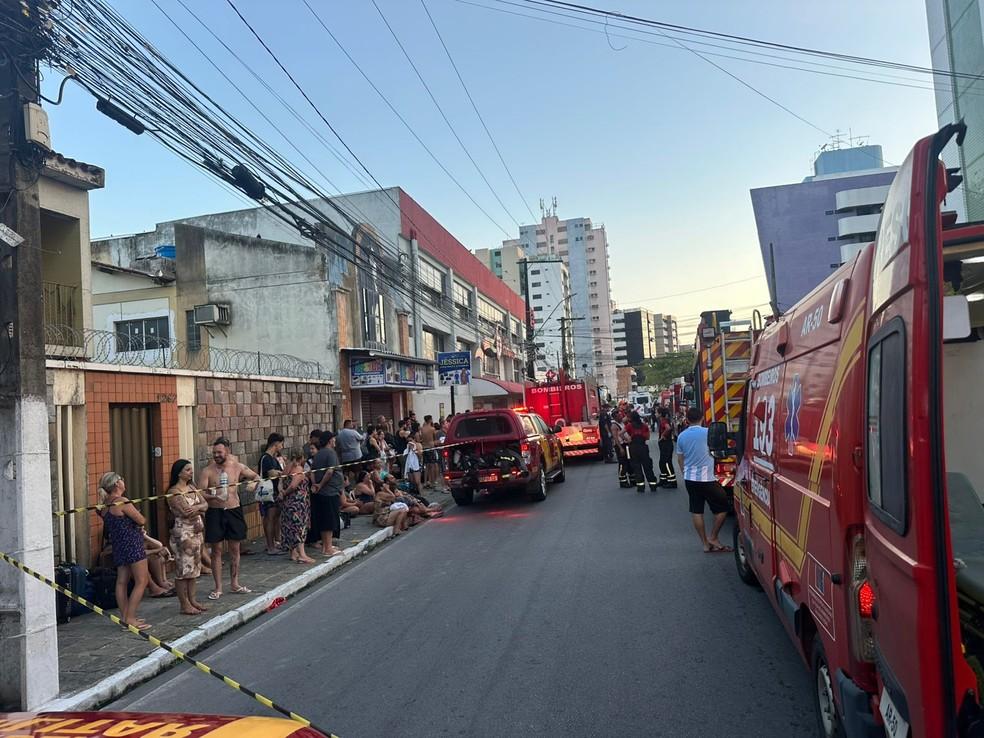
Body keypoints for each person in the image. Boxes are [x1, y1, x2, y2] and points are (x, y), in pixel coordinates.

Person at [199, 437, 258, 600]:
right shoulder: (207, 471)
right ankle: (218, 587)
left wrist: (253, 484)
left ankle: (235, 583)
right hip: (215, 512)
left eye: (219, 452)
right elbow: (199, 492)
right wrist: (214, 496)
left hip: (233, 510)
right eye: (214, 453)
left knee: (235, 548)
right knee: (216, 550)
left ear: (227, 451)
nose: (216, 455)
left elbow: (256, 476)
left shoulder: (237, 467)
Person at [98, 472, 152, 630]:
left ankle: (125, 617)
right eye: (121, 479)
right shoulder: (122, 501)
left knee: (121, 581)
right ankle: (130, 618)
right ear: (117, 484)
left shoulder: (105, 505)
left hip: (118, 545)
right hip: (132, 544)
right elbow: (141, 520)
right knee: (142, 581)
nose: (123, 481)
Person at [676, 407, 732, 553]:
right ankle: (713, 536)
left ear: (687, 420)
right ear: (702, 418)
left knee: (697, 510)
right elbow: (717, 452)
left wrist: (685, 473)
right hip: (707, 478)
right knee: (723, 507)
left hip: (690, 479)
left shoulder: (681, 436)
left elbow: (680, 459)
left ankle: (705, 544)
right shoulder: (708, 433)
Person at [166, 459, 210, 615]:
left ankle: (193, 600)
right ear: (179, 473)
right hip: (183, 534)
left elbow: (205, 504)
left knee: (194, 569)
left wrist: (198, 508)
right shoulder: (174, 492)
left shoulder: (192, 487)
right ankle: (184, 604)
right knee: (184, 570)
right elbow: (185, 512)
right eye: (187, 470)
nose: (191, 472)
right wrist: (200, 510)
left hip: (196, 532)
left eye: (191, 469)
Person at [310, 431, 344, 557]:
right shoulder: (330, 453)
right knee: (329, 521)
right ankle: (328, 548)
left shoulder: (319, 454)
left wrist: (315, 484)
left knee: (324, 519)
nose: (335, 441)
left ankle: (326, 546)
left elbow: (312, 472)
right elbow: (329, 472)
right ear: (330, 440)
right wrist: (320, 484)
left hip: (321, 492)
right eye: (333, 439)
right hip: (329, 492)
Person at [280, 452, 315, 564]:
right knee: (300, 527)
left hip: (287, 503)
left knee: (290, 527)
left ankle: (293, 553)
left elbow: (280, 482)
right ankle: (302, 554)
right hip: (297, 503)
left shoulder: (286, 469)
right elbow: (294, 486)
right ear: (301, 458)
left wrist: (281, 492)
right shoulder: (298, 469)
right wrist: (285, 492)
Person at [259, 433, 286, 556]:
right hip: (268, 492)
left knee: (275, 517)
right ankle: (270, 546)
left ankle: (275, 542)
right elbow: (270, 474)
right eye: (281, 443)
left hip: (275, 491)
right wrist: (280, 473)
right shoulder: (266, 458)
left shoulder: (274, 458)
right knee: (269, 517)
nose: (282, 446)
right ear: (275, 444)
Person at [624, 411, 658, 493]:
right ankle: (653, 485)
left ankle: (640, 487)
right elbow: (648, 437)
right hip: (643, 447)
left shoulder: (629, 426)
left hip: (633, 448)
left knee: (636, 467)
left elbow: (620, 433)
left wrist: (628, 439)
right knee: (648, 466)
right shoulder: (644, 425)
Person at [657, 408, 678, 489]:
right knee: (662, 463)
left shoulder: (664, 421)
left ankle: (672, 482)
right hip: (665, 444)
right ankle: (663, 480)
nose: (655, 413)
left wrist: (662, 436)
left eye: (657, 412)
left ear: (660, 413)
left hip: (666, 444)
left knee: (666, 463)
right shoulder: (664, 420)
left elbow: (668, 428)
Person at [609, 411, 631, 488]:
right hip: (620, 446)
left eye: (621, 415)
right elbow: (616, 438)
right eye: (619, 416)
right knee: (622, 463)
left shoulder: (621, 422)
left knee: (628, 462)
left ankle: (631, 480)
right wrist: (620, 448)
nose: (621, 417)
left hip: (625, 445)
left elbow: (627, 418)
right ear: (615, 417)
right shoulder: (614, 426)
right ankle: (623, 481)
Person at [419, 415, 441, 489]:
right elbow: (434, 439)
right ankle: (432, 482)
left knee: (426, 466)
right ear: (430, 420)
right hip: (431, 447)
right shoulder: (432, 429)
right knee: (432, 465)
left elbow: (421, 438)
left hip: (424, 448)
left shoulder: (422, 429)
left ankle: (425, 482)